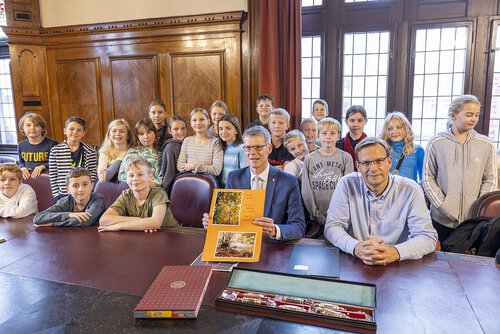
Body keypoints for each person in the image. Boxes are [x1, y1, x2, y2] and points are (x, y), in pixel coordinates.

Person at [325, 137, 438, 265]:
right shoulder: (346, 184)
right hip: (355, 261)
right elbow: (332, 227)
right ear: (358, 166)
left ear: (389, 162)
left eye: (379, 161)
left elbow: (427, 237)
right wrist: (355, 247)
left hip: (395, 265)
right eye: (366, 163)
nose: (373, 169)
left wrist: (394, 252)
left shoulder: (410, 190)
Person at [203, 126, 306, 241]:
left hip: (272, 245)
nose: (252, 153)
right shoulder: (234, 178)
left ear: (269, 149)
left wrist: (274, 230)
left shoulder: (288, 181)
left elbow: (298, 227)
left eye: (258, 147)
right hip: (240, 244)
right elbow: (227, 220)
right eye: (248, 148)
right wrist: (213, 222)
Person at [423, 95, 498, 242]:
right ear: (453, 115)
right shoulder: (436, 142)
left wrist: (479, 208)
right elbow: (427, 177)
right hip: (440, 219)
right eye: (469, 114)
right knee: (437, 261)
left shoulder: (486, 144)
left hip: (473, 220)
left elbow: (491, 179)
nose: (474, 119)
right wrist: (442, 206)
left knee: (469, 262)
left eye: (476, 115)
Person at [99, 157, 178, 232]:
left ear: (150, 177)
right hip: (142, 236)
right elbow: (104, 220)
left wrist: (118, 226)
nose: (135, 179)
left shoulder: (159, 193)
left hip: (170, 234)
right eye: (131, 175)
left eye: (140, 175)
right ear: (126, 179)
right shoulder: (126, 195)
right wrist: (143, 222)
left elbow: (155, 223)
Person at [302, 118, 354, 227]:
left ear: (338, 135)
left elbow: (349, 189)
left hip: (339, 216)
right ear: (318, 135)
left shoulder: (346, 157)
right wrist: (316, 214)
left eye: (332, 133)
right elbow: (306, 191)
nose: (328, 136)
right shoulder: (309, 158)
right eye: (324, 133)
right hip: (314, 218)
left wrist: (339, 214)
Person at [33, 168, 105, 227]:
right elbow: (38, 218)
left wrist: (53, 224)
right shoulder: (65, 201)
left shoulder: (98, 199)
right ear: (68, 190)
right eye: (75, 186)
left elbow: (85, 221)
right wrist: (68, 214)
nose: (81, 189)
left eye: (85, 184)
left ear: (92, 186)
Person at [49, 116, 97, 200]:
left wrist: (88, 190)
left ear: (83, 133)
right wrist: (56, 195)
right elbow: (53, 175)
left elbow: (92, 173)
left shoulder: (90, 151)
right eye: (71, 129)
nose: (75, 132)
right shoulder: (55, 151)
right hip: (63, 194)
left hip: (83, 193)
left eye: (79, 130)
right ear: (65, 131)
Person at [379, 112, 424, 183]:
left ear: (406, 129)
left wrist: (418, 190)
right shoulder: (381, 150)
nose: (394, 131)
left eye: (398, 127)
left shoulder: (418, 150)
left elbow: (424, 178)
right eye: (390, 128)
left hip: (411, 192)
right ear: (385, 131)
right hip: (389, 192)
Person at [177, 108, 223, 177]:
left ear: (208, 121)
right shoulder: (187, 141)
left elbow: (216, 170)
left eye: (202, 119)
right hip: (187, 180)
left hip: (207, 182)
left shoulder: (216, 143)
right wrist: (205, 167)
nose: (198, 123)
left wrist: (193, 166)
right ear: (191, 124)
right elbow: (180, 166)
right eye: (194, 120)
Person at [118, 118, 162, 187]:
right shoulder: (132, 152)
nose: (146, 136)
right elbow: (122, 175)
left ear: (155, 133)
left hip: (154, 190)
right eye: (141, 134)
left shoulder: (161, 153)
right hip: (134, 188)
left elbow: (161, 178)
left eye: (148, 132)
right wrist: (138, 183)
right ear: (137, 136)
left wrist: (147, 185)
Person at [17, 113, 58, 180]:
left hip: (48, 179)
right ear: (22, 128)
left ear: (42, 128)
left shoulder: (52, 144)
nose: (32, 128)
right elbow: (21, 162)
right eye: (28, 125)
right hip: (27, 179)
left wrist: (43, 166)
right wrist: (22, 167)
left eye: (36, 125)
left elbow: (57, 162)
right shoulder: (21, 145)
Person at [218, 114, 248, 187]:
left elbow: (245, 172)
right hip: (222, 186)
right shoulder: (220, 147)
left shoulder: (242, 148)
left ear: (236, 130)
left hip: (236, 186)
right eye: (221, 129)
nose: (223, 132)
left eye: (228, 128)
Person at [161, 115, 188, 193]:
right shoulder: (170, 147)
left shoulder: (188, 143)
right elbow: (169, 173)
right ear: (170, 131)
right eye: (176, 129)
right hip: (176, 189)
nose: (180, 132)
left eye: (183, 128)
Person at [337, 105, 368, 170]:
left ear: (365, 121)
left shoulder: (370, 144)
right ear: (346, 122)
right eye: (352, 120)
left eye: (360, 120)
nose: (356, 124)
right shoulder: (338, 144)